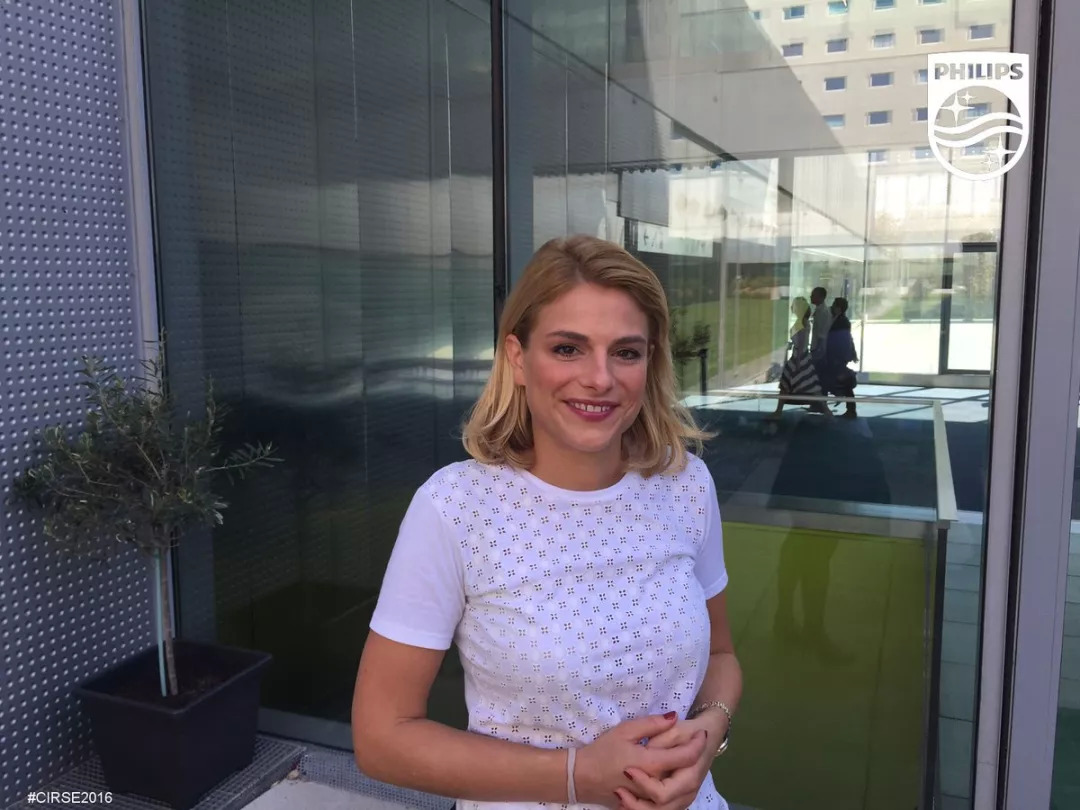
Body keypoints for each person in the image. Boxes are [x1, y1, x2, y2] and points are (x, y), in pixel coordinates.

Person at [352, 235, 743, 810]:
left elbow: (722, 658)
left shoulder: (684, 485)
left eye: (626, 352)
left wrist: (709, 732)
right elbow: (382, 737)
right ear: (517, 357)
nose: (599, 378)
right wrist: (577, 775)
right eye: (567, 348)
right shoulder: (456, 507)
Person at [771, 297, 829, 418]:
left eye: (794, 306)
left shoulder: (801, 323)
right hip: (801, 357)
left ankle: (778, 412)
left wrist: (797, 362)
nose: (792, 307)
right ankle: (827, 411)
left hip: (799, 358)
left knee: (789, 385)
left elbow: (801, 343)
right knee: (811, 386)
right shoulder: (804, 322)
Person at [824, 297, 859, 418]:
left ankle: (850, 408)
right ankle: (848, 406)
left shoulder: (841, 322)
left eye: (834, 305)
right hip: (838, 355)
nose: (832, 307)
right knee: (839, 379)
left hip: (837, 356)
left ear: (839, 308)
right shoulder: (840, 320)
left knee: (843, 380)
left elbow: (842, 339)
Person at [809, 287, 832, 363]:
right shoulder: (819, 310)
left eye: (813, 295)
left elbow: (822, 335)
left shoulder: (823, 312)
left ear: (821, 297)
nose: (811, 297)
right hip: (816, 348)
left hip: (819, 349)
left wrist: (818, 352)